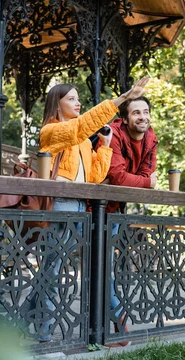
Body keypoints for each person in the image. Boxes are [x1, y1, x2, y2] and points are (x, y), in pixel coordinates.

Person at [26, 77, 149, 343]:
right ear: (56, 105)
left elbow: (94, 176)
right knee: (54, 268)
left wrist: (104, 147)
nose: (78, 101)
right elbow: (80, 127)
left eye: (78, 97)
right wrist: (122, 98)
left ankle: (26, 318)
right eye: (71, 98)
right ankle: (45, 327)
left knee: (80, 264)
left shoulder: (82, 140)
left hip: (83, 206)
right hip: (61, 205)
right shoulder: (51, 130)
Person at [105, 96, 158, 347]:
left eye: (146, 112)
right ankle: (116, 318)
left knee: (103, 267)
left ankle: (114, 322)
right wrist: (146, 181)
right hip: (92, 206)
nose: (143, 117)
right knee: (98, 267)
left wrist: (139, 180)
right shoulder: (114, 133)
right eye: (136, 113)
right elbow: (116, 176)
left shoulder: (150, 138)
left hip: (115, 210)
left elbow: (141, 175)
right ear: (124, 119)